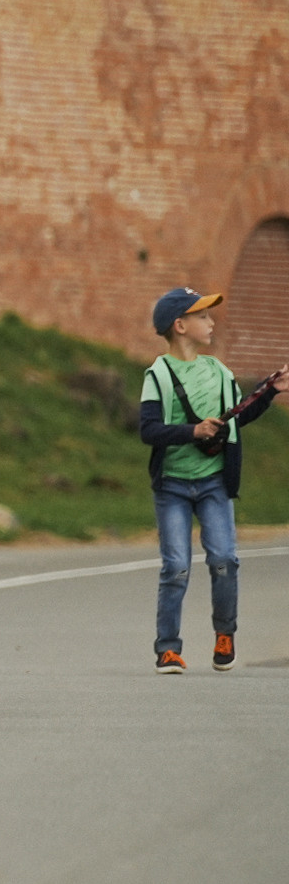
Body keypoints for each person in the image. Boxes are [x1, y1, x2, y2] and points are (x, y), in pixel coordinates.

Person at [139, 288, 284, 673]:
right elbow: (149, 430)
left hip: (214, 483)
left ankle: (225, 635)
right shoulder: (158, 374)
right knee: (177, 567)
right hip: (172, 485)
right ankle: (167, 648)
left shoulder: (219, 372)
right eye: (203, 316)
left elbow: (236, 418)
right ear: (180, 325)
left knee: (224, 560)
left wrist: (269, 392)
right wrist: (193, 432)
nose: (211, 322)